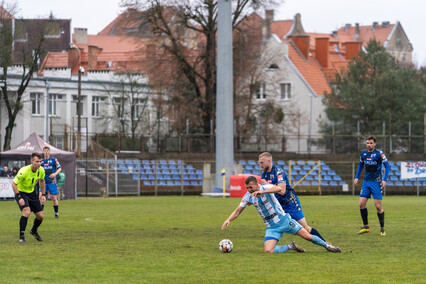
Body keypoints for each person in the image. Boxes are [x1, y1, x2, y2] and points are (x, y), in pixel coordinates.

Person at [221, 176, 341, 253]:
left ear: (257, 184)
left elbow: (279, 188)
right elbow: (237, 211)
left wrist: (261, 192)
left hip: (284, 220)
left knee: (308, 237)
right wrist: (228, 220)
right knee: (268, 251)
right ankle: (291, 246)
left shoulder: (265, 187)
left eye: (251, 187)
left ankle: (327, 245)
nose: (249, 190)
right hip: (272, 227)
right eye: (247, 188)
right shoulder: (248, 197)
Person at [258, 152, 327, 242]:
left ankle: (325, 243)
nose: (260, 165)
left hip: (289, 202)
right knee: (275, 226)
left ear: (269, 161)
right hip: (278, 205)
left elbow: (282, 191)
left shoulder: (279, 172)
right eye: (259, 163)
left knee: (305, 228)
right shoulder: (264, 174)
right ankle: (276, 246)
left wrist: (268, 185)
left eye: (262, 162)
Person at [354, 135, 389, 236]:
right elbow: (361, 165)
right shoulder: (363, 153)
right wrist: (356, 177)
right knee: (361, 204)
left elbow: (387, 165)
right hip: (366, 182)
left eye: (371, 143)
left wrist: (384, 180)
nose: (369, 145)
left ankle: (382, 229)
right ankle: (366, 227)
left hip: (376, 182)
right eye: (367, 143)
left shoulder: (379, 153)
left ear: (375, 144)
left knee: (378, 206)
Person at [12, 152, 46, 243]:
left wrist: (43, 195)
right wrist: (19, 197)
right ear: (31, 161)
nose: (39, 163)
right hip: (22, 193)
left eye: (40, 161)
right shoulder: (24, 171)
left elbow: (42, 181)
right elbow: (14, 184)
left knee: (40, 216)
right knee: (26, 212)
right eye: (36, 161)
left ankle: (34, 231)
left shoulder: (41, 170)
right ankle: (21, 237)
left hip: (32, 193)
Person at [41, 146, 62, 218]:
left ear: (49, 152)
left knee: (54, 198)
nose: (46, 152)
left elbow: (59, 168)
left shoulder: (53, 160)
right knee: (41, 198)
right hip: (43, 182)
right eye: (45, 151)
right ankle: (41, 214)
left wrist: (54, 174)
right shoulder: (41, 161)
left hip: (52, 182)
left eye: (47, 151)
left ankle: (56, 213)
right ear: (43, 152)